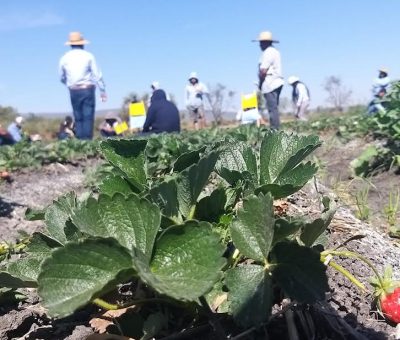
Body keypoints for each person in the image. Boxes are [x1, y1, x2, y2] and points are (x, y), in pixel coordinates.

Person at [59, 31, 107, 140]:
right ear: (82, 44)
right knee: (88, 117)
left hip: (73, 90)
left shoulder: (64, 58)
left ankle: (80, 142)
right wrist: (102, 90)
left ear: (70, 44)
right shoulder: (88, 56)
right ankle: (87, 142)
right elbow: (97, 75)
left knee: (78, 117)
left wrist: (69, 84)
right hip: (87, 89)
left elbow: (61, 77)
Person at [253, 31, 284, 129]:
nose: (260, 45)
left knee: (272, 109)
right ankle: (276, 129)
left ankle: (275, 131)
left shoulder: (268, 52)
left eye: (261, 43)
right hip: (277, 82)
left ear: (265, 42)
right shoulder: (275, 51)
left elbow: (263, 71)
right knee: (274, 108)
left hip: (270, 84)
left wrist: (260, 83)